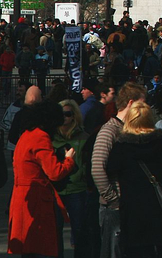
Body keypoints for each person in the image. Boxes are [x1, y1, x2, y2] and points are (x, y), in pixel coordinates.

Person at [105, 100, 162, 257]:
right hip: (159, 203)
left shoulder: (122, 147)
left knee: (137, 249)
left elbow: (110, 168)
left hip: (133, 206)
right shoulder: (161, 143)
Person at [8, 100, 76, 258]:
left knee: (29, 248)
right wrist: (69, 160)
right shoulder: (40, 137)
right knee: (40, 248)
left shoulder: (26, 135)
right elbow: (54, 172)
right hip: (37, 198)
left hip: (22, 195)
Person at [91, 81, 148, 258]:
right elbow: (97, 168)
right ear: (131, 103)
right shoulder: (109, 131)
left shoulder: (126, 130)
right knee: (113, 250)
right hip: (114, 206)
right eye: (142, 104)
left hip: (129, 203)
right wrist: (113, 199)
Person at [52, 98, 93, 258]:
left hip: (78, 189)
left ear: (74, 116)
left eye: (68, 114)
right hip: (56, 190)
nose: (64, 117)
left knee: (80, 231)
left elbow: (87, 164)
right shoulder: (51, 137)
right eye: (61, 114)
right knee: (55, 233)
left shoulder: (84, 136)